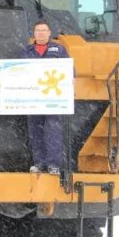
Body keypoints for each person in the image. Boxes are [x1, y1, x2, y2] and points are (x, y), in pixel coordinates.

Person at [21, 19, 70, 175]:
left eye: (44, 30)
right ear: (34, 33)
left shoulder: (59, 50)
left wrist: (70, 83)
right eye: (38, 30)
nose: (41, 33)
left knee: (53, 132)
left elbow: (70, 71)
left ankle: (53, 165)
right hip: (33, 100)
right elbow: (18, 73)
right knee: (35, 132)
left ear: (49, 33)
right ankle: (39, 163)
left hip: (53, 100)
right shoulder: (27, 52)